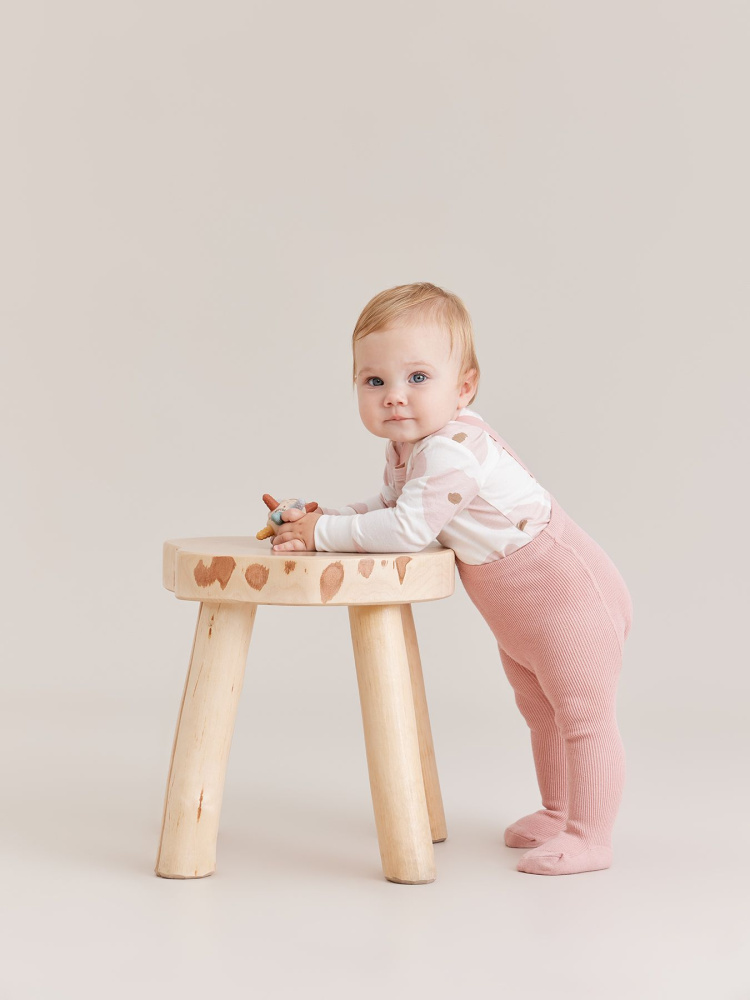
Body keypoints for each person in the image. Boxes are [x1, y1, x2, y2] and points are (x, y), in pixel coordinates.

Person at [269, 282, 633, 876]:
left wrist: (323, 535)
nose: (394, 397)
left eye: (417, 378)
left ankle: (592, 836)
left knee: (582, 716)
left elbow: (411, 527)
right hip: (520, 612)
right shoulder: (410, 448)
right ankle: (558, 808)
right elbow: (386, 507)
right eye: (374, 381)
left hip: (568, 595)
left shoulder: (454, 450)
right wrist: (321, 517)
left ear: (463, 388)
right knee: (539, 712)